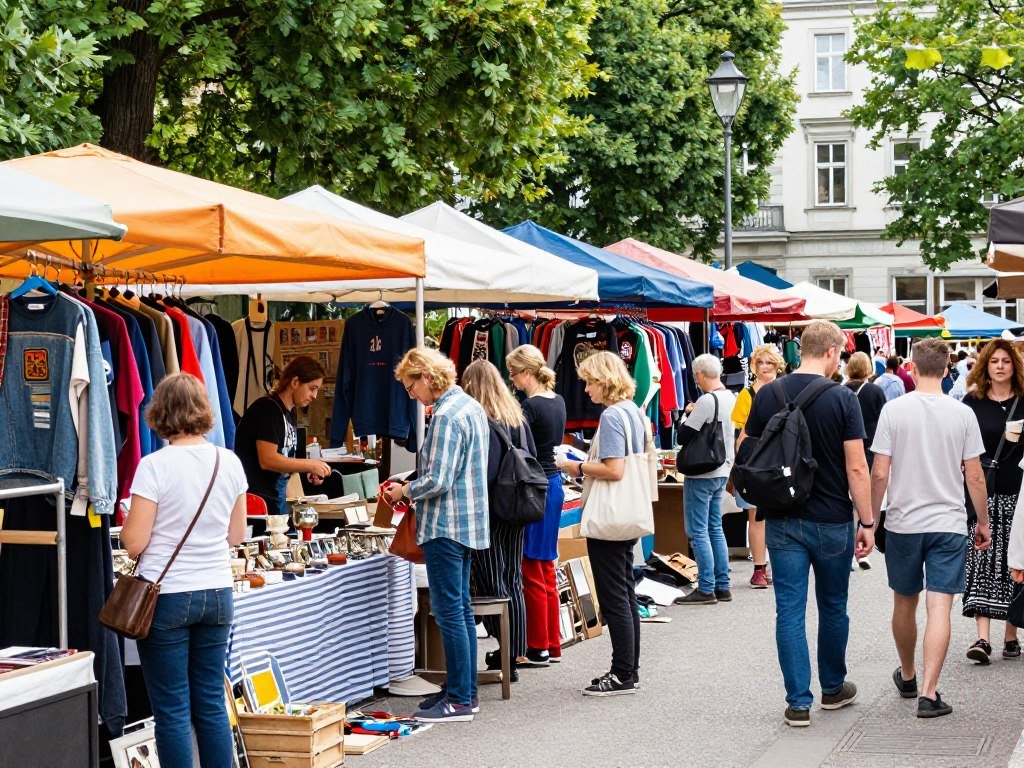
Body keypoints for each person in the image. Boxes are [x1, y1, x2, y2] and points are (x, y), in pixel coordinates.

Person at [741, 320, 873, 728]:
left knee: (789, 610)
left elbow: (744, 450)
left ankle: (798, 701)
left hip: (782, 517)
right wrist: (867, 521)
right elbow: (857, 466)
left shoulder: (767, 395)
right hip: (832, 519)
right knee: (833, 606)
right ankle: (833, 688)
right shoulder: (843, 399)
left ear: (800, 349)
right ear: (833, 351)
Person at [121, 373, 248, 767]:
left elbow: (134, 542)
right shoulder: (228, 461)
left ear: (159, 412)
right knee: (210, 700)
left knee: (172, 709)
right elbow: (237, 534)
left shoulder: (154, 466)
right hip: (217, 590)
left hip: (168, 596)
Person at [869, 338, 991, 718]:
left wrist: (870, 520)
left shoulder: (894, 410)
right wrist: (983, 521)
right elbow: (974, 475)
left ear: (913, 367)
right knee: (941, 605)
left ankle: (907, 674)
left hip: (905, 522)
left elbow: (879, 472)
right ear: (947, 366)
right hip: (949, 522)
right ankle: (929, 691)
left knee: (905, 602)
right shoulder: (962, 414)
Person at [391, 348, 490, 722]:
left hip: (446, 526)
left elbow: (439, 479)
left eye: (410, 384)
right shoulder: (469, 406)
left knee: (450, 612)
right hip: (465, 523)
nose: (410, 393)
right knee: (459, 610)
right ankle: (462, 692)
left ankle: (460, 698)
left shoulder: (447, 415)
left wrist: (405, 491)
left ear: (427, 377)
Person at [555, 351, 646, 696]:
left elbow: (613, 468)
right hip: (627, 512)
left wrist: (572, 466)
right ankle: (628, 669)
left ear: (604, 381)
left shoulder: (611, 416)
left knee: (614, 596)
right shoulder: (633, 411)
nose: (586, 389)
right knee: (624, 590)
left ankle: (623, 673)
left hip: (610, 516)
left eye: (590, 381)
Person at [462, 359, 537, 682]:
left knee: (494, 581)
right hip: (519, 507)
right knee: (512, 579)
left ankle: (506, 650)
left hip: (492, 511)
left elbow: (483, 472)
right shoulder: (516, 416)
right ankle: (514, 650)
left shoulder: (482, 421)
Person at [961, 339, 1024, 664]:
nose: (1000, 366)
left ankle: (1011, 635)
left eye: (1006, 361)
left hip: (1018, 493)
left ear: (1015, 366)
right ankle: (982, 638)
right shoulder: (973, 402)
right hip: (982, 493)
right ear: (985, 366)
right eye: (994, 361)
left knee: (1017, 562)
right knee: (982, 562)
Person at [507, 344, 567, 666]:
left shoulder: (528, 407)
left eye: (514, 373)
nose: (512, 379)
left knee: (531, 567)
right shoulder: (558, 401)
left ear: (527, 372)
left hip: (535, 488)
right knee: (545, 565)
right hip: (554, 484)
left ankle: (537, 646)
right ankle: (551, 643)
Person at [675, 354, 737, 605]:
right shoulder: (731, 397)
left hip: (702, 471)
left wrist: (685, 413)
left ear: (699, 375)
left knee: (697, 530)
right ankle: (722, 585)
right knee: (715, 527)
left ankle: (706, 587)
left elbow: (683, 435)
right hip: (722, 469)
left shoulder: (706, 401)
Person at [234, 356, 330, 515]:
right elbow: (268, 460)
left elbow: (285, 458)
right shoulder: (267, 409)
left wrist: (307, 470)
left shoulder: (289, 413)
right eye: (312, 388)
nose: (314, 395)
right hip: (256, 503)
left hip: (276, 501)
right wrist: (309, 465)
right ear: (295, 382)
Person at [732, 344, 786, 588]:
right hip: (755, 460)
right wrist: (740, 465)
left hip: (781, 459)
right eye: (760, 363)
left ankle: (777, 566)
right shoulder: (747, 395)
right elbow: (740, 434)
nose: (765, 367)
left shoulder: (786, 390)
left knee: (780, 515)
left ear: (778, 365)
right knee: (756, 516)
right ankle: (759, 568)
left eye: (770, 363)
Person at [844, 351, 888, 571]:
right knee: (866, 502)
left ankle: (850, 550)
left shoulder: (840, 391)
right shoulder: (875, 391)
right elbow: (883, 423)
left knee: (848, 503)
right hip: (870, 451)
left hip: (844, 451)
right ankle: (863, 548)